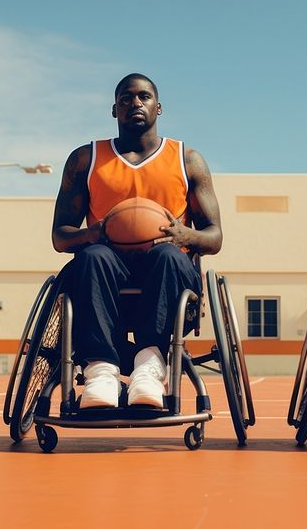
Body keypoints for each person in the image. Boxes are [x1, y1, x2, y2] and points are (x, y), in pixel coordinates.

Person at [51, 73, 222, 410]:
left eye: (144, 97)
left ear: (159, 108)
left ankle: (149, 364)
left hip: (167, 275)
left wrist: (185, 235)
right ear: (114, 110)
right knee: (92, 256)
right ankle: (100, 369)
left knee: (169, 255)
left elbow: (214, 236)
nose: (135, 103)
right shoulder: (85, 160)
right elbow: (60, 236)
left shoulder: (187, 160)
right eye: (126, 98)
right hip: (105, 271)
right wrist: (92, 233)